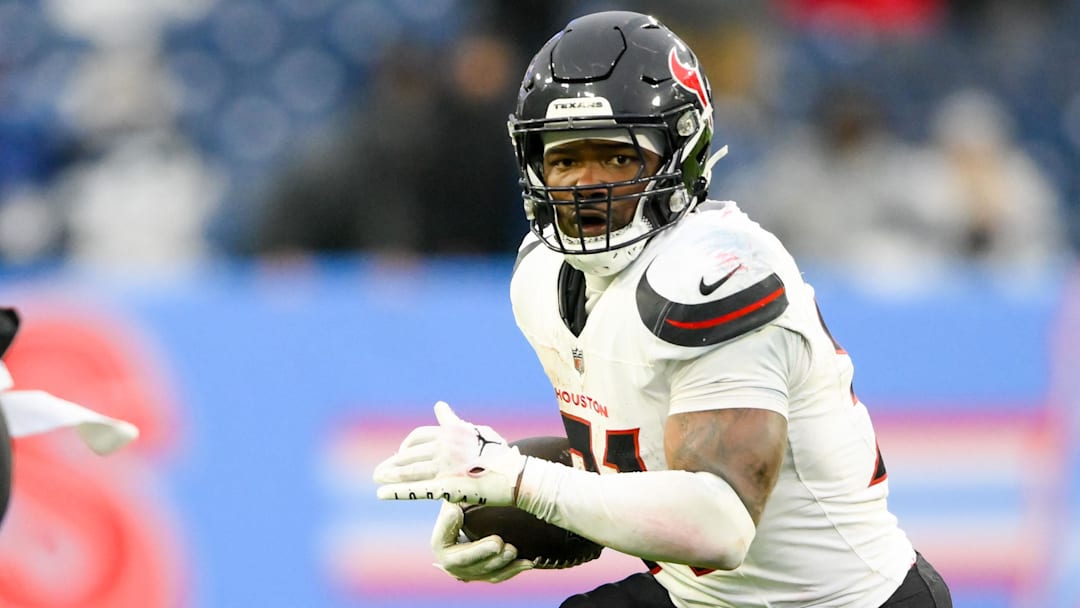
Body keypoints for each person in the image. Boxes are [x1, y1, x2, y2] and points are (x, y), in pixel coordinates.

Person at [373, 10, 952, 607]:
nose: (584, 185)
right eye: (565, 159)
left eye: (617, 158)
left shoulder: (719, 272)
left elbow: (719, 525)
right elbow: (639, 457)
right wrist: (492, 499)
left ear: (680, 157)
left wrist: (522, 482)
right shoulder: (542, 276)